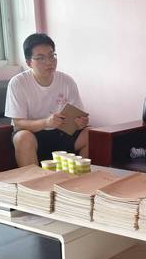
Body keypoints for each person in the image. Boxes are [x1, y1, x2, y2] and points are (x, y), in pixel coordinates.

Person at [5, 33, 89, 167]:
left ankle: (79, 177)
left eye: (52, 56)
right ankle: (33, 180)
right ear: (29, 63)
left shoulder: (67, 81)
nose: (49, 62)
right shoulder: (18, 83)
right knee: (22, 138)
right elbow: (18, 123)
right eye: (41, 58)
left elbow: (78, 115)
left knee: (91, 134)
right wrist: (46, 123)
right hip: (34, 135)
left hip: (62, 134)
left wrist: (81, 122)